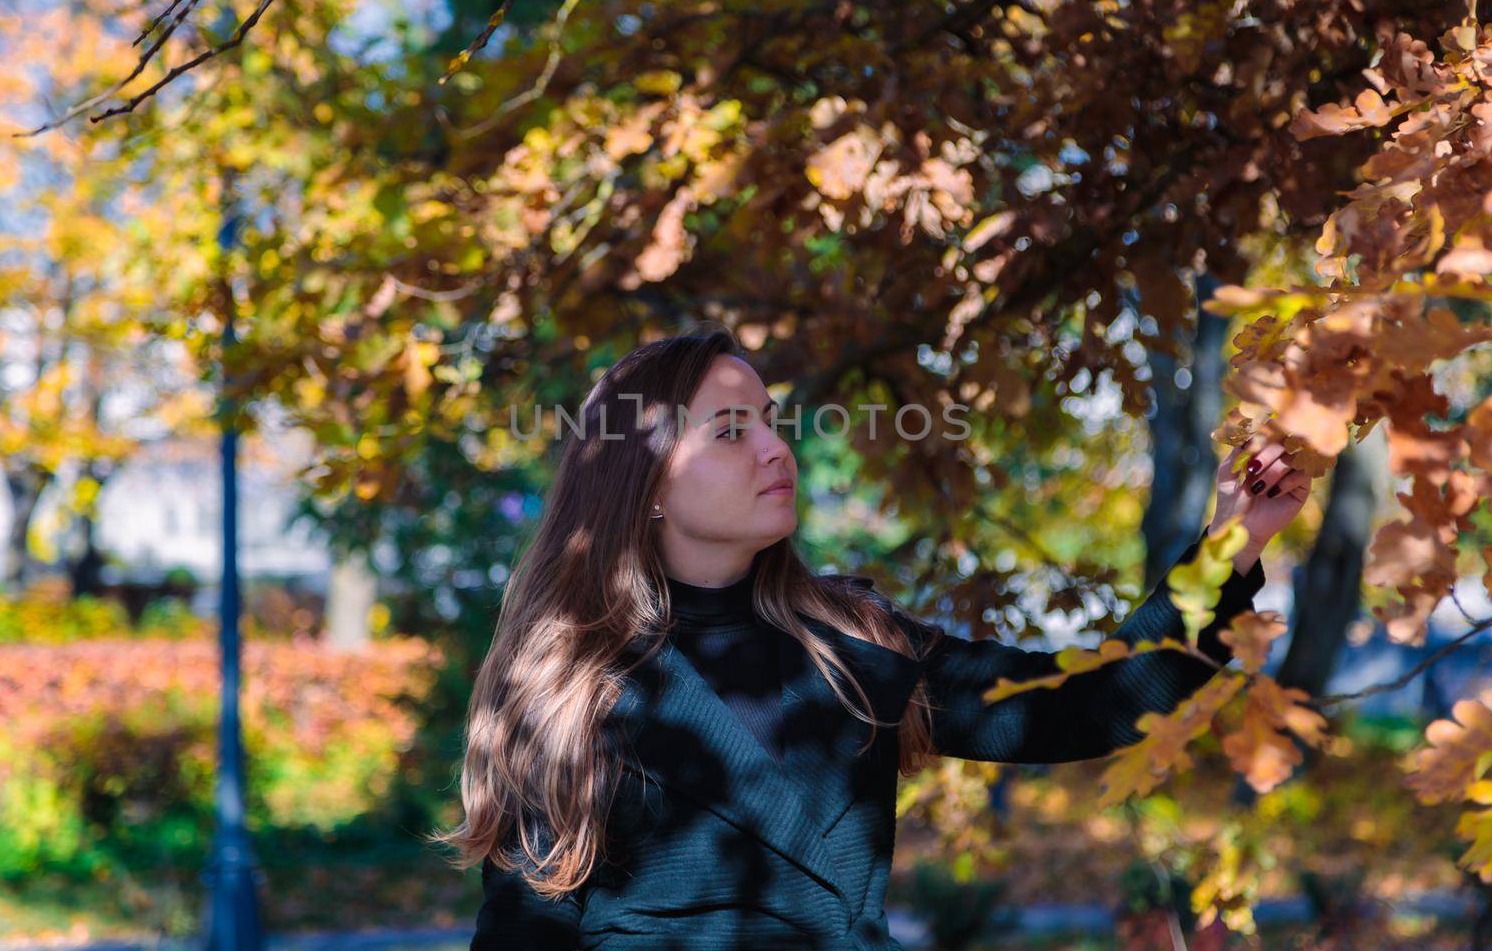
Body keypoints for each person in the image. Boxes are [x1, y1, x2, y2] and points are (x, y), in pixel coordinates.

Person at [432, 325, 1312, 949]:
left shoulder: (852, 639)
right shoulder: (568, 683)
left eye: (772, 420)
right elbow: (523, 934)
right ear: (645, 479)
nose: (777, 449)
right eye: (732, 431)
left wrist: (1231, 542)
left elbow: (1086, 706)